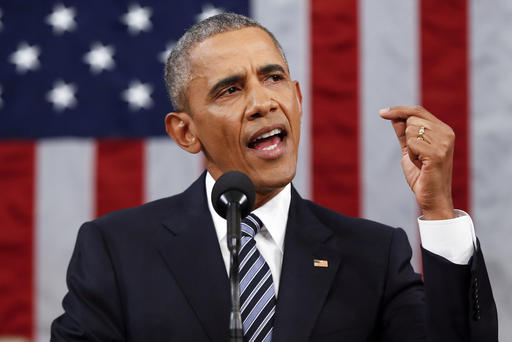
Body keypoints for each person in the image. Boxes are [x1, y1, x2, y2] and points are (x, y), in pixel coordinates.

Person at [51, 13, 497, 342]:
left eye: (273, 78)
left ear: (298, 99)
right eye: (230, 89)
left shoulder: (373, 255)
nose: (263, 102)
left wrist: (437, 210)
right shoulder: (116, 249)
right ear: (185, 132)